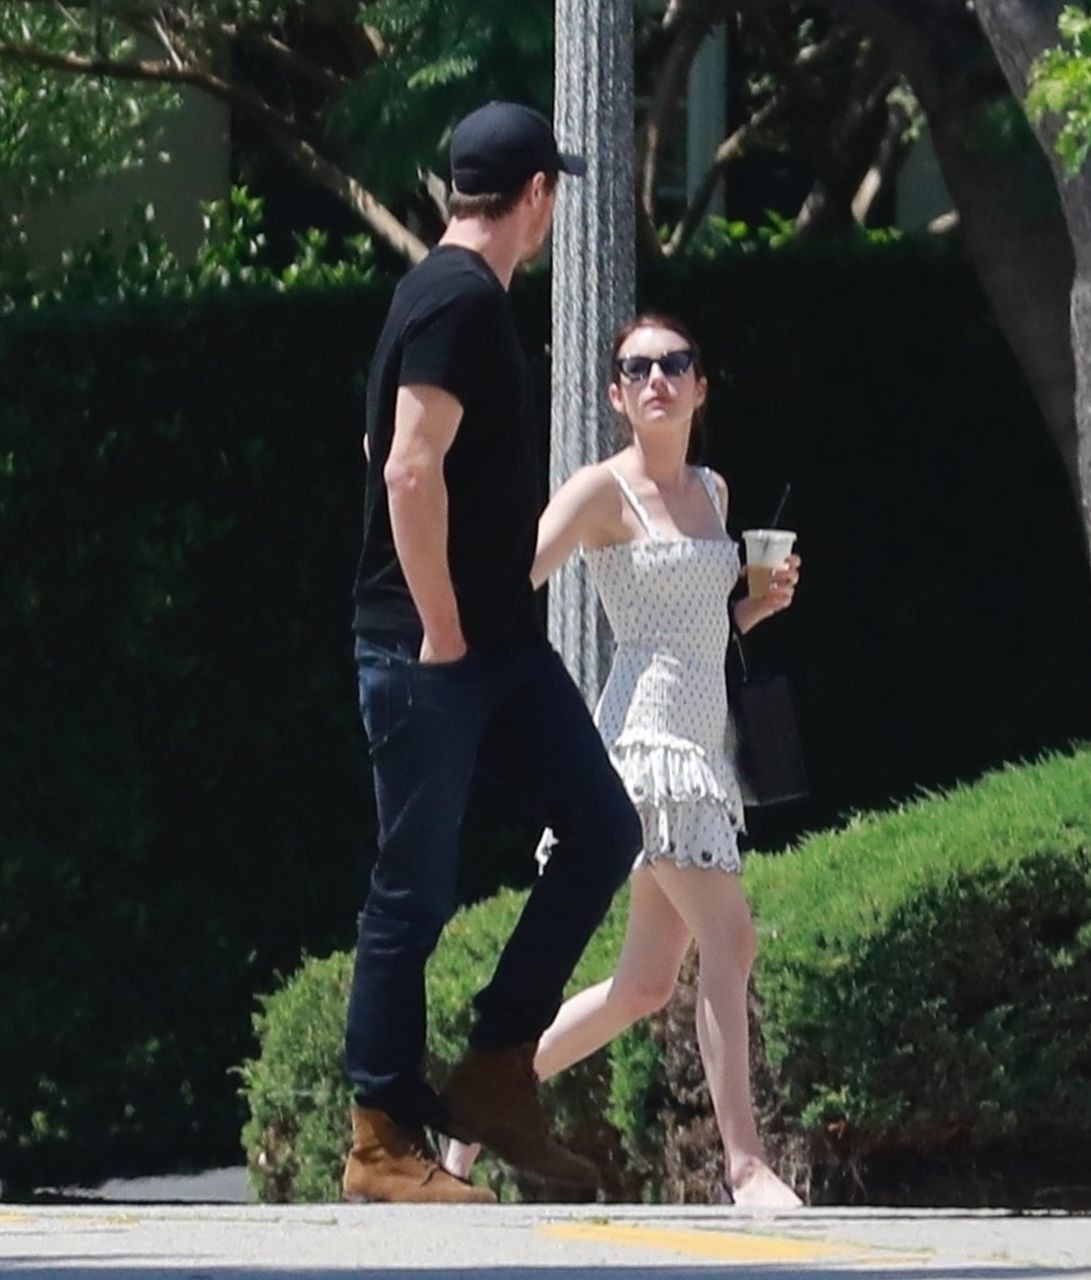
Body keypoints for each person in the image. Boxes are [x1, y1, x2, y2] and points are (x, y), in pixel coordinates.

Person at [343, 102, 644, 1204]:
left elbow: (381, 440)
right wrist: (441, 624)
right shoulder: (458, 298)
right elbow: (405, 467)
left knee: (604, 826)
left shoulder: (443, 295)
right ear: (538, 197)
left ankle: (496, 1074)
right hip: (434, 650)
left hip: (499, 647)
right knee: (412, 890)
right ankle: (380, 1140)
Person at [443, 313, 806, 1207]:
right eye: (637, 369)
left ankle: (472, 1108)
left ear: (700, 387)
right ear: (616, 395)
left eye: (675, 364)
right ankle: (745, 1167)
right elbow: (507, 583)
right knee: (732, 938)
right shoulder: (601, 493)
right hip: (644, 747)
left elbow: (703, 626)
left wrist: (755, 608)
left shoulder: (713, 491)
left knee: (643, 986)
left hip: (703, 749)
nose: (657, 381)